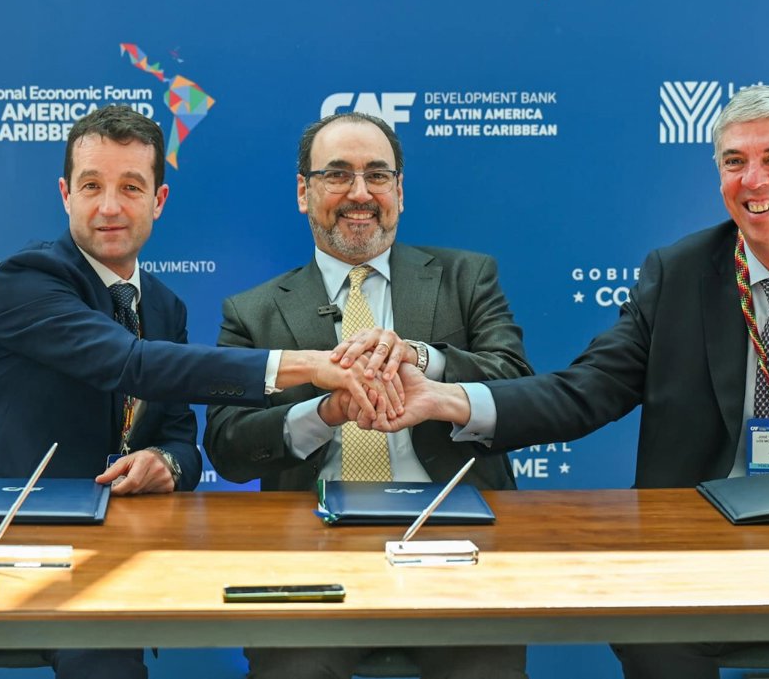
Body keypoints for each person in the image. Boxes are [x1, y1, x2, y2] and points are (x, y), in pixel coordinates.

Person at [360, 85, 769, 679]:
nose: (754, 180)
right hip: (701, 544)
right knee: (655, 640)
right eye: (734, 162)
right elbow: (587, 391)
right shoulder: (679, 274)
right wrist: (446, 398)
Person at [0, 105, 394, 679]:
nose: (110, 207)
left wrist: (165, 463)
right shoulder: (28, 278)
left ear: (158, 201)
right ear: (66, 195)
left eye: (130, 187)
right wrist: (306, 365)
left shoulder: (165, 307)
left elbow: (183, 440)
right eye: (91, 186)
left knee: (110, 665)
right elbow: (129, 362)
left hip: (95, 559)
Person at [205, 111, 532, 679]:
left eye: (377, 175)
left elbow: (518, 386)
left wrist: (424, 359)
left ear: (399, 191)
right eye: (337, 175)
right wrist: (325, 411)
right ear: (304, 193)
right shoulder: (252, 312)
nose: (360, 194)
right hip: (313, 553)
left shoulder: (467, 278)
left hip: (454, 544)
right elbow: (228, 447)